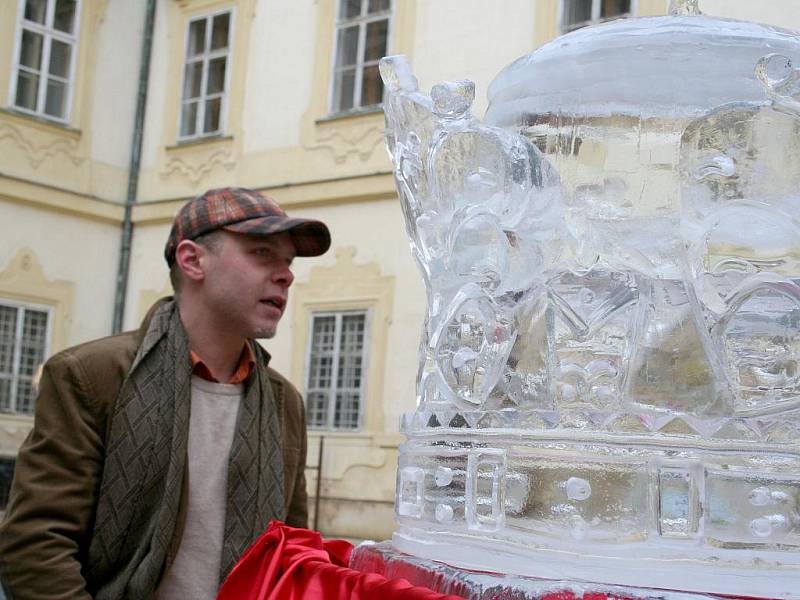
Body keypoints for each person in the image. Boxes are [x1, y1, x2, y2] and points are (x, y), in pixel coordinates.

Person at [0, 188, 331, 600]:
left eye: (288, 261)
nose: (286, 275)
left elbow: (294, 552)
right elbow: (36, 544)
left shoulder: (284, 402)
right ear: (193, 260)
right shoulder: (91, 377)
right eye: (262, 253)